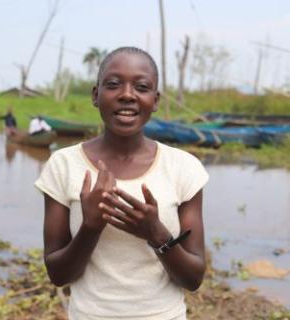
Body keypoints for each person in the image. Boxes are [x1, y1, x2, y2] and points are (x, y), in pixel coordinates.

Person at [34, 47, 209, 320]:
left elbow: (193, 278)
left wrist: (156, 233)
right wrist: (90, 228)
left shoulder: (183, 168)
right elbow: (58, 275)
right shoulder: (64, 165)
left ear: (155, 99)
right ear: (96, 95)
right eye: (113, 84)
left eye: (141, 86)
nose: (127, 95)